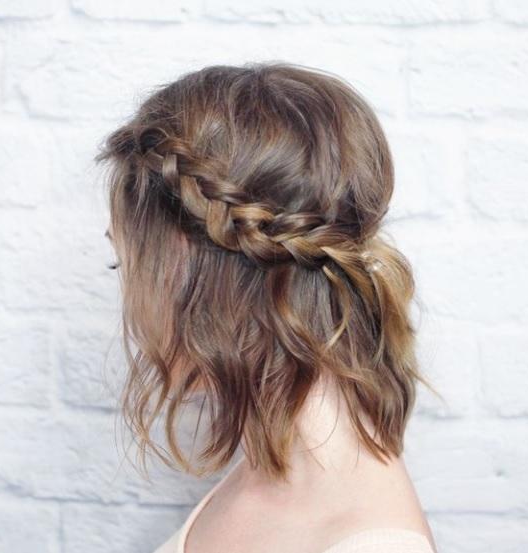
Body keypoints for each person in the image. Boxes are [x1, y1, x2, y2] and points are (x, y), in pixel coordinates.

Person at [95, 61, 440, 553]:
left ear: (182, 260)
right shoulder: (271, 467)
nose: (130, 294)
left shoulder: (371, 545)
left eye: (125, 264)